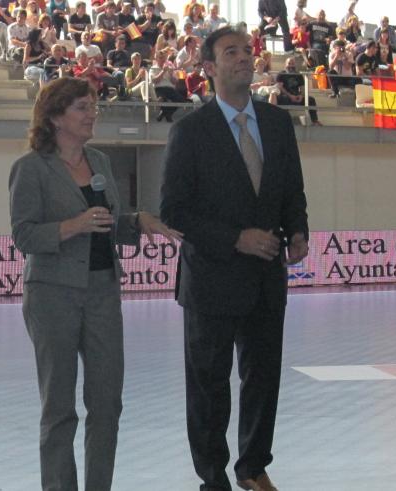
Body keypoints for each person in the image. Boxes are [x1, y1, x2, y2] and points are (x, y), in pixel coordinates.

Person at [8, 76, 180, 491]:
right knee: (59, 407)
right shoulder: (30, 168)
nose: (92, 115)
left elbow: (107, 225)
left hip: (103, 291)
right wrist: (73, 226)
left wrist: (137, 222)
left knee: (107, 404)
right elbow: (24, 235)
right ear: (54, 117)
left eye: (94, 107)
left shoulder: (100, 162)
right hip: (52, 294)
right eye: (82, 107)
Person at [159, 25, 309, 491]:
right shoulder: (189, 130)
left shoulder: (279, 123)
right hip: (211, 279)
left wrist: (299, 228)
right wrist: (235, 239)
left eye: (247, 50)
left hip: (266, 277)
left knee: (262, 379)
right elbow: (174, 211)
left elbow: (291, 190)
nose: (244, 57)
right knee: (208, 385)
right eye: (231, 52)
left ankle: (253, 466)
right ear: (209, 67)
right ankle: (212, 476)